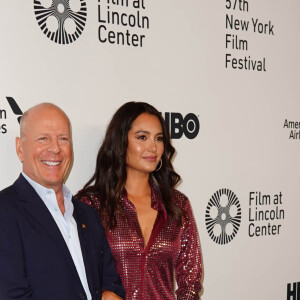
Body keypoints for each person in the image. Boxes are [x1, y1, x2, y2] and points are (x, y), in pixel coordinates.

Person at [77, 101, 202, 300]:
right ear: (120, 141)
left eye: (158, 138)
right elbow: (78, 276)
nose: (153, 147)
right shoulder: (91, 205)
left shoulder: (177, 205)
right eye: (142, 137)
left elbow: (191, 281)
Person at [0, 103, 125, 300]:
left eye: (63, 139)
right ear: (20, 148)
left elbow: (111, 283)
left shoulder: (88, 214)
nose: (55, 148)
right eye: (43, 138)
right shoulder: (5, 211)